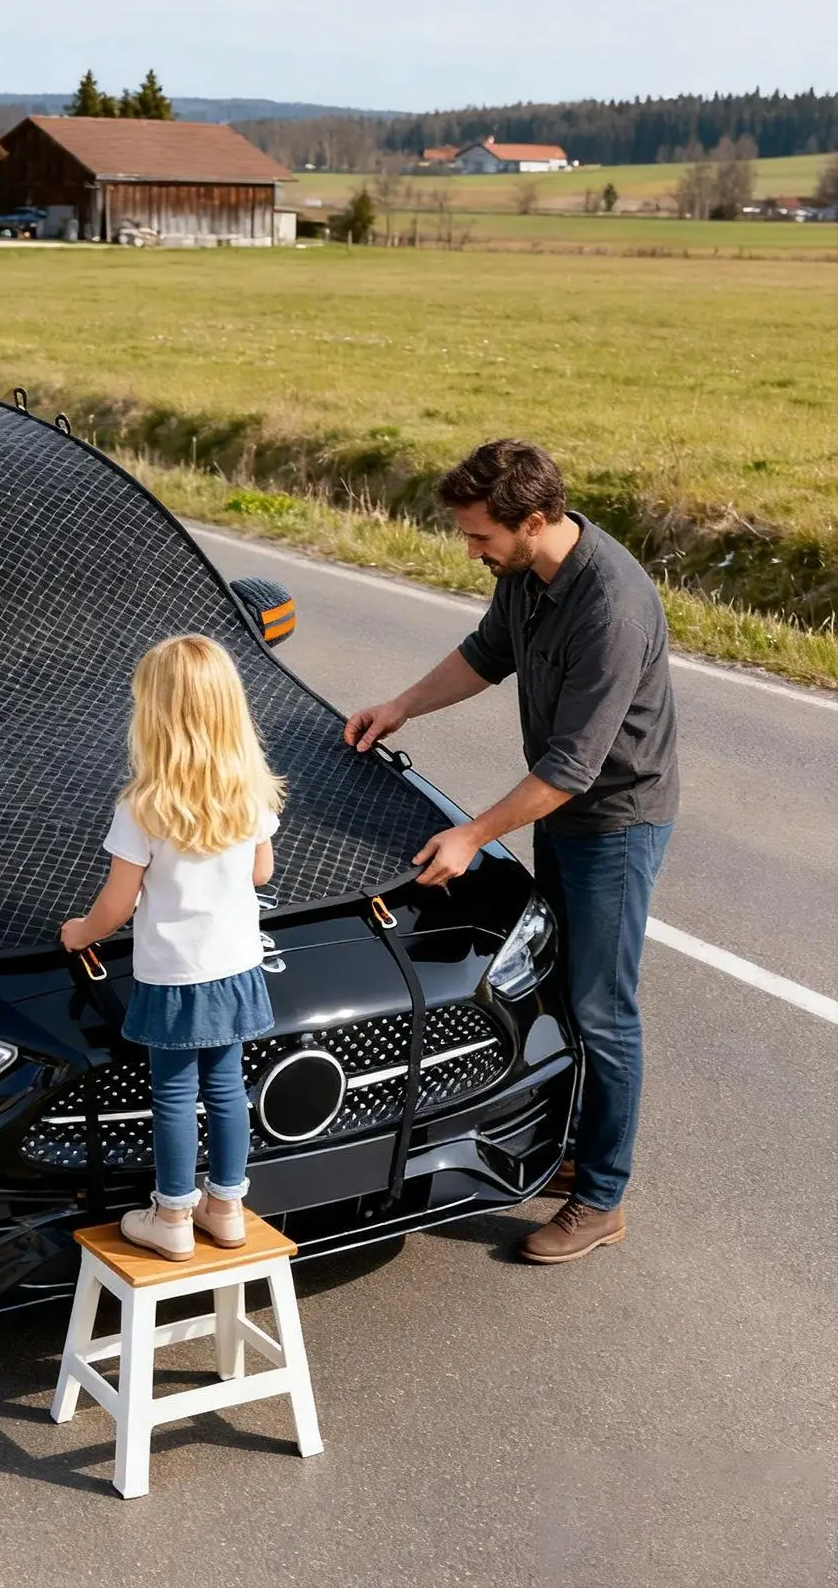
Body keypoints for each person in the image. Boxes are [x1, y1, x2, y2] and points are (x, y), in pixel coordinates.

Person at [344, 440, 678, 1265]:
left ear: (533, 521)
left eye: (479, 537)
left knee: (603, 1009)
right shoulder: (525, 578)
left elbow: (571, 767)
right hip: (565, 812)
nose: (469, 550)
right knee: (561, 985)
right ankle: (572, 1150)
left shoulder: (610, 607)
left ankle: (599, 1197)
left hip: (615, 822)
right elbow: (483, 656)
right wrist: (401, 706)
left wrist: (470, 834)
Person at [60, 634, 284, 1261]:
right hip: (238, 966)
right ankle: (228, 1208)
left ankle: (174, 1216)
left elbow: (115, 906)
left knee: (175, 1098)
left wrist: (80, 932)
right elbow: (261, 874)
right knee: (228, 1091)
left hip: (175, 977)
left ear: (152, 715)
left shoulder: (143, 807)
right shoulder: (252, 790)